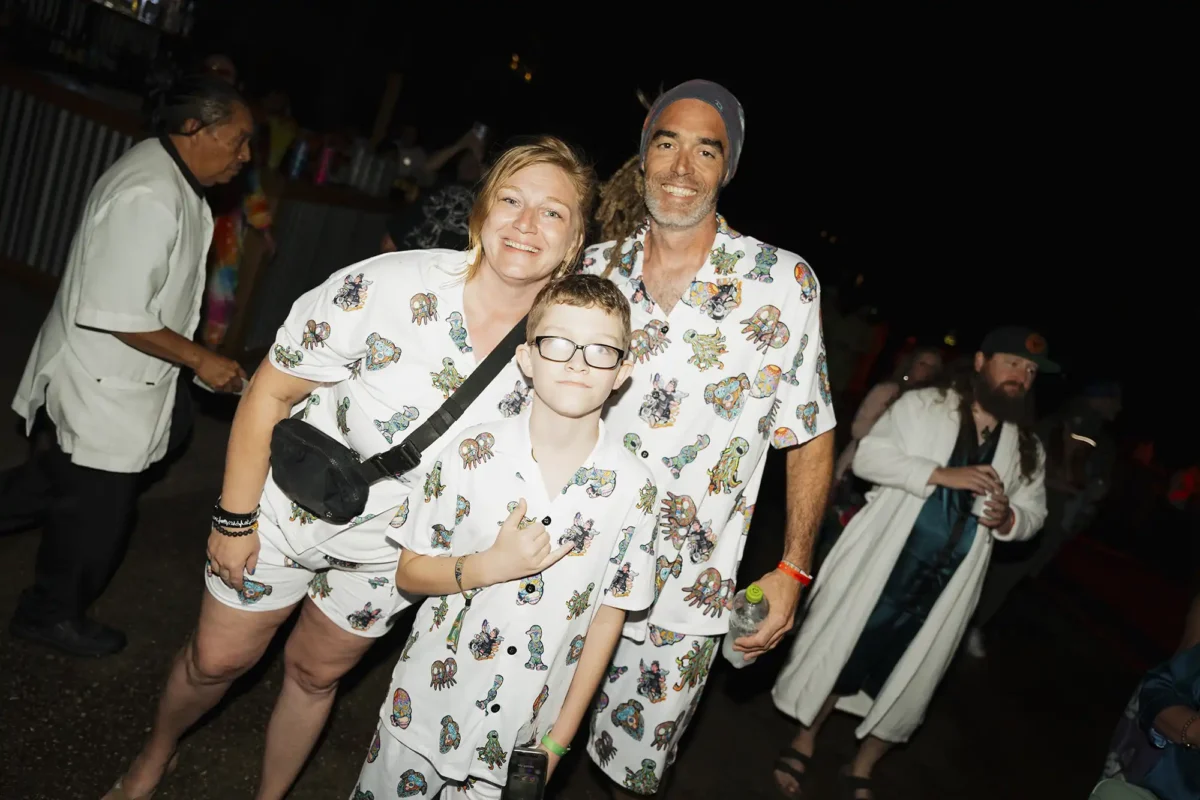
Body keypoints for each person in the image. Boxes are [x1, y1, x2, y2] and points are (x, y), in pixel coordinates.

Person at [105, 136, 597, 800]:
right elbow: (270, 391)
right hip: (285, 505)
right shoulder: (390, 285)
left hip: (393, 553)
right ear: (481, 211)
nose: (525, 223)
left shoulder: (564, 349)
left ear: (574, 243)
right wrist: (233, 516)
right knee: (218, 659)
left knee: (314, 676)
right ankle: (154, 755)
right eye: (511, 199)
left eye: (552, 213)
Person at [581, 79, 837, 798]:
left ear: (728, 168)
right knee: (516, 740)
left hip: (682, 596)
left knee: (626, 775)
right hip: (561, 562)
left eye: (705, 150)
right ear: (642, 156)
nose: (681, 168)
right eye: (666, 144)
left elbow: (810, 433)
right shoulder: (594, 268)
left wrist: (791, 573)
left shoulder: (782, 283)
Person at [354, 274, 657, 799]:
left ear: (622, 372)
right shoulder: (471, 453)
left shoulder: (634, 490)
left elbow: (609, 615)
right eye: (558, 344)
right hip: (421, 714)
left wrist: (559, 743)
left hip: (520, 741)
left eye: (601, 350)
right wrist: (489, 566)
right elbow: (409, 571)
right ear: (526, 358)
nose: (578, 362)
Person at [2, 75, 251, 657]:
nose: (245, 157)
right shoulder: (149, 195)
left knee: (53, 486)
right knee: (96, 520)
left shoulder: (175, 178)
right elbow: (118, 312)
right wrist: (202, 361)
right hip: (100, 386)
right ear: (195, 128)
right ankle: (49, 614)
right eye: (238, 141)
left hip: (123, 384)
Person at [769, 326, 1051, 799]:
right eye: (1012, 363)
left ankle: (863, 765)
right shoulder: (925, 406)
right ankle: (805, 737)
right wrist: (941, 474)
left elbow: (1035, 515)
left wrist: (1010, 519)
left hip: (948, 584)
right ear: (981, 362)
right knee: (847, 649)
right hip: (885, 562)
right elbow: (869, 459)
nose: (1021, 376)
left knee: (912, 674)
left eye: (1030, 371)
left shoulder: (1027, 448)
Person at [199, 53, 275, 349]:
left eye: (225, 72)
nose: (217, 75)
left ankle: (204, 359)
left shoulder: (240, 121)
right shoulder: (186, 112)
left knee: (219, 294)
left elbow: (249, 179)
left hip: (225, 224)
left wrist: (264, 227)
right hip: (190, 208)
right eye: (211, 69)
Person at [381, 127, 487, 253]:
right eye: (467, 158)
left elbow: (494, 183)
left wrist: (479, 156)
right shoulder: (442, 183)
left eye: (475, 161)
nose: (470, 163)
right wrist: (460, 145)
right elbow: (425, 168)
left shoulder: (483, 197)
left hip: (441, 261)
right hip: (409, 250)